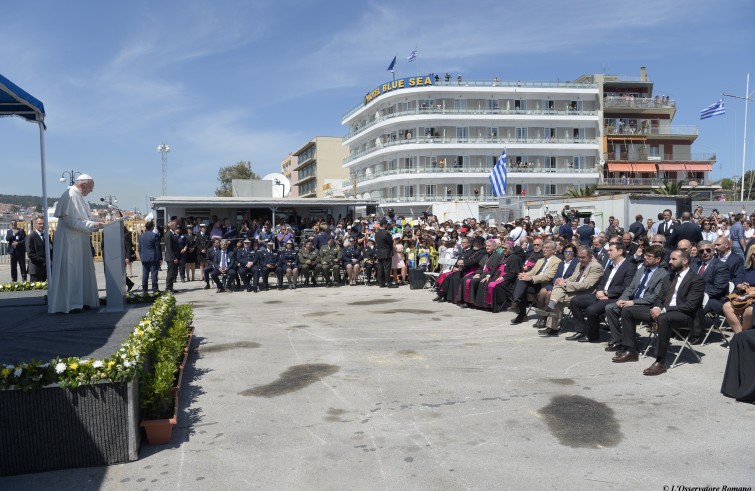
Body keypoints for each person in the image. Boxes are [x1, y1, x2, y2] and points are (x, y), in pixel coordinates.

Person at [641, 249, 705, 375]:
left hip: (685, 315)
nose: (670, 262)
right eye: (670, 259)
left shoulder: (696, 280)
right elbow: (660, 297)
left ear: (685, 261)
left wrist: (664, 310)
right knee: (629, 310)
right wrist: (657, 308)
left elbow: (690, 306)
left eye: (673, 259)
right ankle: (630, 349)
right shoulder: (669, 277)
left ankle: (660, 362)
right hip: (664, 311)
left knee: (663, 318)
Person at [48, 174, 104, 314]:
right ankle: (71, 304)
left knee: (81, 271)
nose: (90, 191)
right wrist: (94, 224)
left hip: (79, 240)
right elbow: (71, 222)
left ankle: (83, 301)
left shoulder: (79, 197)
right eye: (90, 188)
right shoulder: (71, 195)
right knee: (72, 272)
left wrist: (94, 225)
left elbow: (82, 219)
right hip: (70, 241)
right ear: (83, 184)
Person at [604, 244, 669, 354]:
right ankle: (618, 341)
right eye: (645, 255)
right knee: (610, 308)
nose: (645, 258)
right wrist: (622, 299)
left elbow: (654, 297)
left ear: (658, 259)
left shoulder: (663, 275)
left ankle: (629, 345)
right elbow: (631, 287)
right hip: (632, 301)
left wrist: (632, 302)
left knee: (626, 310)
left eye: (649, 256)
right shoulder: (642, 269)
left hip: (647, 306)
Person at [568, 241, 637, 342]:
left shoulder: (630, 266)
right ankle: (581, 331)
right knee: (575, 301)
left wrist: (607, 293)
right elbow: (602, 281)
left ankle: (593, 336)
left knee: (591, 310)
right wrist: (599, 291)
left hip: (615, 298)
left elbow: (627, 287)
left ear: (620, 251)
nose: (608, 252)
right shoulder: (610, 265)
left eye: (610, 250)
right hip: (601, 295)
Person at [138, 221, 162, 293]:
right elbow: (158, 248)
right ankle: (154, 289)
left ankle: (144, 289)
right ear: (152, 227)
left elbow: (140, 248)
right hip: (153, 257)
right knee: (154, 273)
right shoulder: (154, 235)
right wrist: (160, 258)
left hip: (144, 257)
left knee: (145, 274)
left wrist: (141, 256)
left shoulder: (141, 236)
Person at [26, 217, 50, 282]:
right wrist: (43, 261)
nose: (42, 225)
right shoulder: (31, 237)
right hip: (36, 270)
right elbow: (30, 254)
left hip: (45, 270)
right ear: (35, 225)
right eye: (39, 224)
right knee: (36, 291)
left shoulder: (47, 236)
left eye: (43, 224)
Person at [374, 219, 394, 288]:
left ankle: (381, 283)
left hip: (379, 252)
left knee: (380, 268)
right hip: (386, 252)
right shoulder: (386, 233)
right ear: (385, 225)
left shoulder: (377, 233)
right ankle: (388, 283)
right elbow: (390, 243)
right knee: (387, 269)